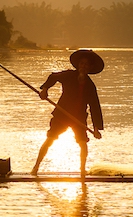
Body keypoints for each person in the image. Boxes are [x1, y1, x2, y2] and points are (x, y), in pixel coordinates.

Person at [31, 49, 104, 177]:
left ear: (90, 67)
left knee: (82, 143)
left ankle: (82, 171)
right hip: (62, 115)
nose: (83, 66)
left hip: (79, 119)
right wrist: (45, 89)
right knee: (50, 140)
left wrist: (96, 128)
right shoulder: (69, 75)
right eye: (81, 64)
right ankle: (35, 168)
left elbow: (94, 107)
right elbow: (53, 76)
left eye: (86, 65)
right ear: (78, 65)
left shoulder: (90, 86)